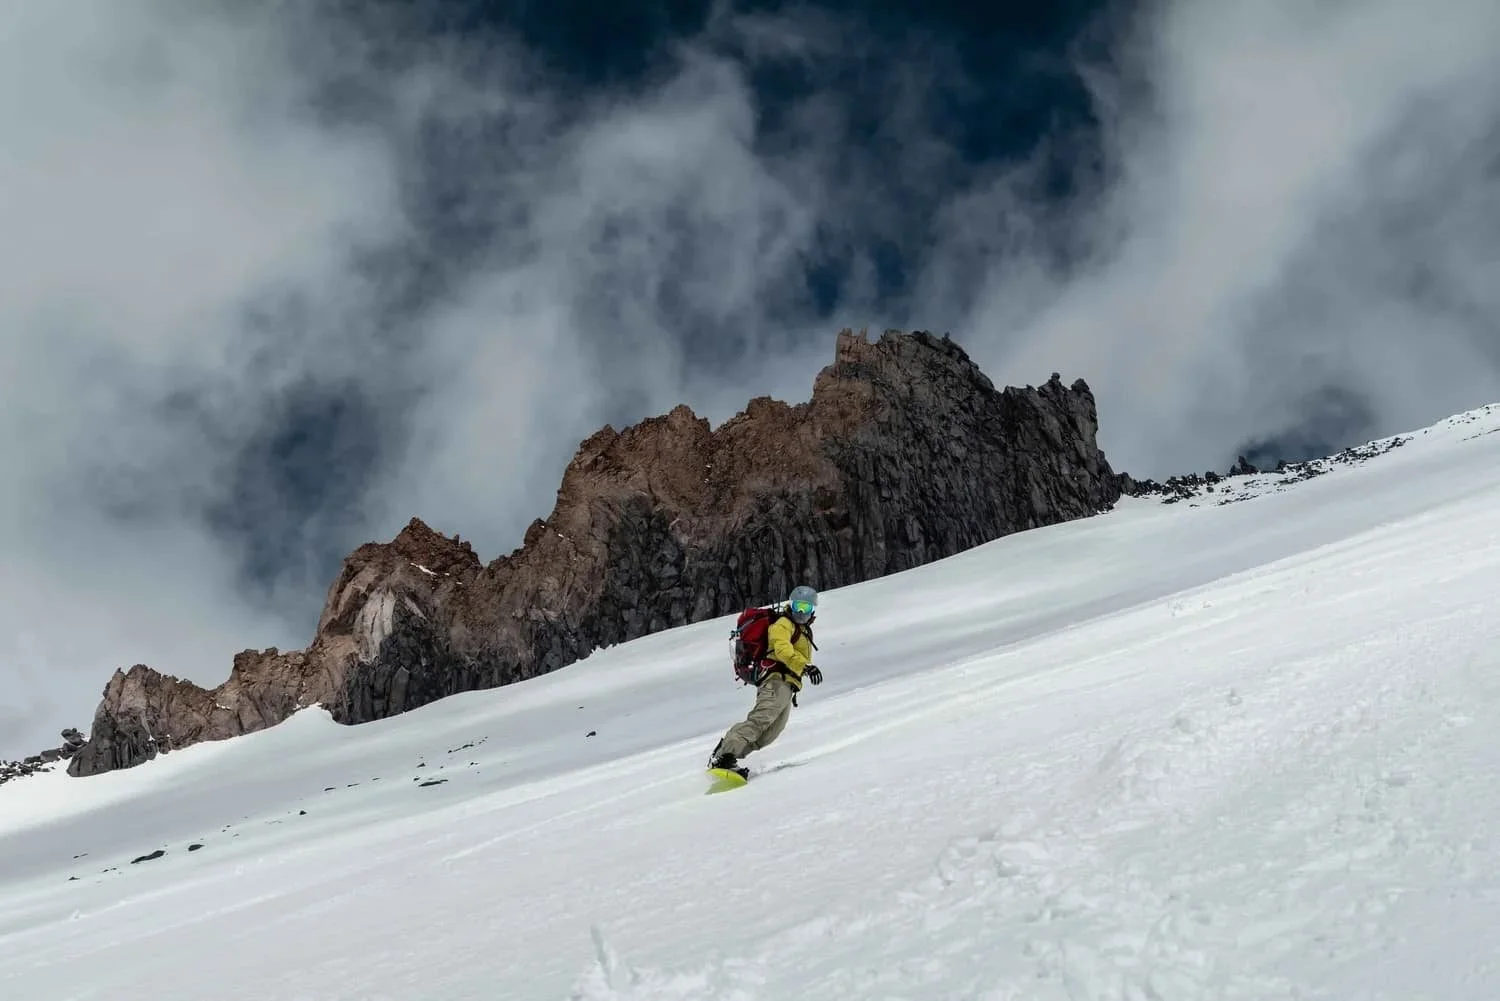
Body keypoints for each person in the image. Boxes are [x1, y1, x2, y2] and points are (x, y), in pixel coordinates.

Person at [709, 584, 823, 774]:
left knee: (771, 732)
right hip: (776, 680)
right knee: (760, 721)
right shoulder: (783, 624)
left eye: (806, 608)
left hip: (788, 684)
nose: (801, 612)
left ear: (813, 610)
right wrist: (805, 666)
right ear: (791, 605)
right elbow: (782, 649)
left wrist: (803, 669)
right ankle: (725, 756)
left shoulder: (800, 628)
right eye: (798, 606)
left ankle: (727, 755)